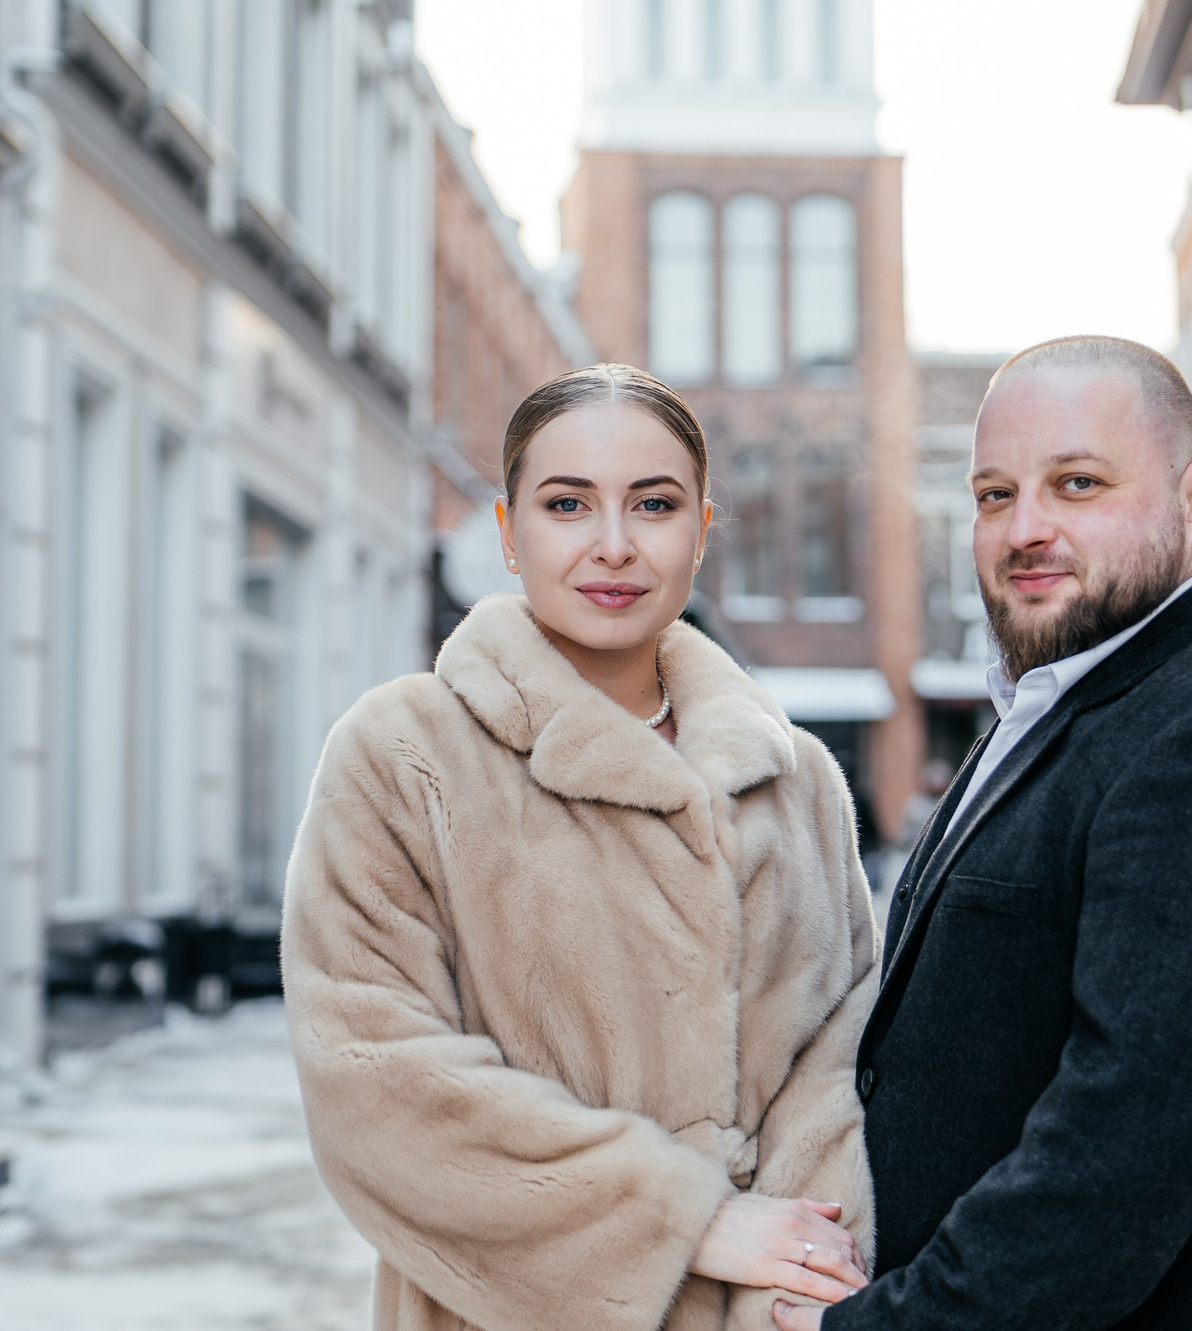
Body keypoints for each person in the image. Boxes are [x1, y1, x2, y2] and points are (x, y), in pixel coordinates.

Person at [782, 336, 1192, 1331]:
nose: (1025, 529)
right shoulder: (1061, 705)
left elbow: (1123, 1160)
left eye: (1077, 484)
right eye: (992, 495)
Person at [284, 363, 877, 1331]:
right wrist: (677, 1220)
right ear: (510, 535)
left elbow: (840, 1058)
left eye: (653, 504)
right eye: (567, 504)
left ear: (701, 530)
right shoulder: (404, 752)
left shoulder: (795, 776)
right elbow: (369, 1069)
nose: (613, 546)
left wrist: (792, 1285)